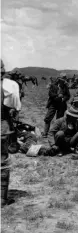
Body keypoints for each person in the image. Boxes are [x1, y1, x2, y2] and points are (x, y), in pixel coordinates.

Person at [1, 60, 21, 206]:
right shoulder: (9, 85)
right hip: (2, 126)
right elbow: (15, 106)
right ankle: (2, 198)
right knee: (2, 161)